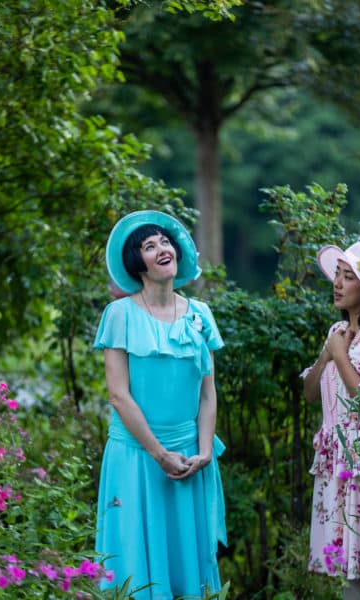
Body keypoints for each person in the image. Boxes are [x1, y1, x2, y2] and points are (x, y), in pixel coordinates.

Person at [93, 210, 227, 600]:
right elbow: (118, 395)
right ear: (137, 264)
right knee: (135, 571)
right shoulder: (119, 314)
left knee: (189, 570)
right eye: (149, 247)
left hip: (189, 457)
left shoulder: (200, 315)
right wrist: (159, 453)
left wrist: (203, 451)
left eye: (165, 242)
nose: (162, 249)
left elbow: (207, 393)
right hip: (137, 458)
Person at [302, 237, 360, 600]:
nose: (337, 284)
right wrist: (327, 356)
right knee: (349, 570)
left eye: (348, 276)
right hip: (337, 462)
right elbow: (311, 394)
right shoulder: (336, 334)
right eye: (336, 275)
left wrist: (340, 357)